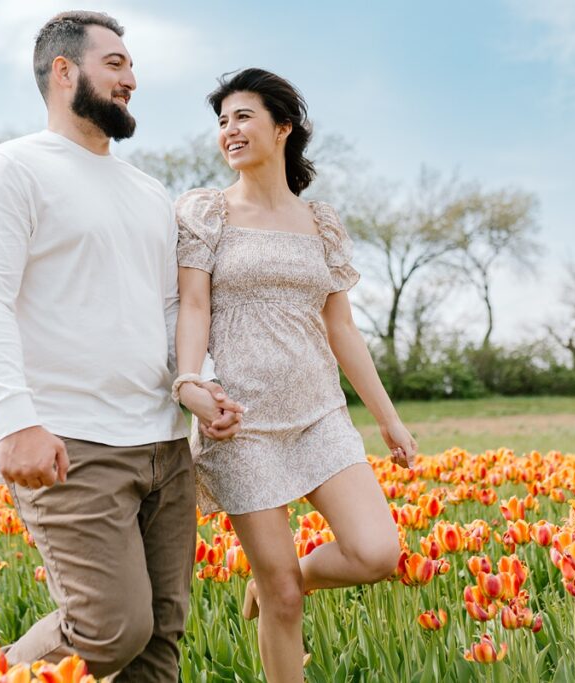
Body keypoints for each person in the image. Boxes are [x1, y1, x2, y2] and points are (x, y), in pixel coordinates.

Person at [0, 11, 241, 681]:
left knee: (160, 641)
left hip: (165, 446)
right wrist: (13, 418)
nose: (132, 78)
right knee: (108, 628)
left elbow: (171, 309)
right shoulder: (12, 170)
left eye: (131, 65)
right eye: (114, 64)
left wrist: (198, 383)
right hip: (71, 441)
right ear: (63, 71)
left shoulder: (147, 192)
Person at [173, 68, 418, 683]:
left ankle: (292, 576)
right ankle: (279, 589)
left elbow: (343, 329)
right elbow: (194, 307)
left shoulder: (322, 223)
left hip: (320, 415)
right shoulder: (206, 213)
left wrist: (389, 421)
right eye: (222, 121)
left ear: (283, 127)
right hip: (244, 425)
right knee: (281, 600)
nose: (229, 129)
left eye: (243, 116)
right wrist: (191, 381)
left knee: (377, 552)